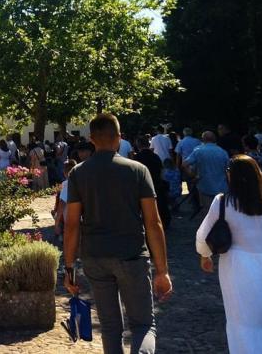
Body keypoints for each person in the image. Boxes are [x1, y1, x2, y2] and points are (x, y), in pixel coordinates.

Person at [65, 113, 172, 354]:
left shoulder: (78, 173)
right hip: (131, 255)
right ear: (119, 138)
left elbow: (71, 224)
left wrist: (69, 267)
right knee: (144, 325)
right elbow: (153, 222)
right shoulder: (137, 170)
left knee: (110, 326)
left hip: (95, 257)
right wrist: (162, 270)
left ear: (92, 139)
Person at [196, 155, 262, 354]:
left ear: (230, 176)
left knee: (242, 323)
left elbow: (203, 235)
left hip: (236, 269)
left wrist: (205, 255)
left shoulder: (222, 203)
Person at [184, 131, 230, 210]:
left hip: (205, 186)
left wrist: (192, 175)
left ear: (203, 139)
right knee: (222, 211)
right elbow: (228, 169)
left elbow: (185, 164)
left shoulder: (198, 151)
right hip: (222, 187)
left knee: (208, 211)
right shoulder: (223, 152)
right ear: (214, 139)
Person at [133, 136, 171, 230]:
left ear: (138, 145)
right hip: (157, 183)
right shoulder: (156, 156)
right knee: (160, 205)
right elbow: (161, 171)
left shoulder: (137, 157)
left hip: (142, 186)